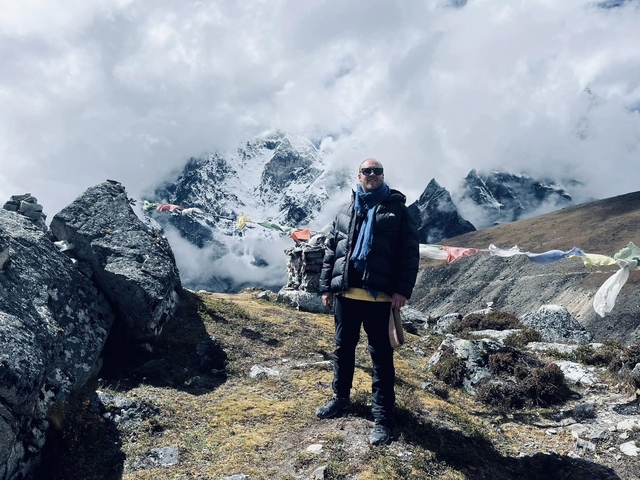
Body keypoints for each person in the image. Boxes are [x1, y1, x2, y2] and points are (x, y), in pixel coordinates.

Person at [316, 158, 420, 445]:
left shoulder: (397, 210)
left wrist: (402, 291)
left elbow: (409, 254)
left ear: (383, 176)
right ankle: (341, 398)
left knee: (382, 359)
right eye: (367, 171)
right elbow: (332, 251)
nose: (372, 175)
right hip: (346, 296)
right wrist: (326, 287)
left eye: (377, 171)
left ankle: (383, 417)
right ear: (359, 175)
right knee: (342, 351)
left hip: (380, 298)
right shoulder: (346, 210)